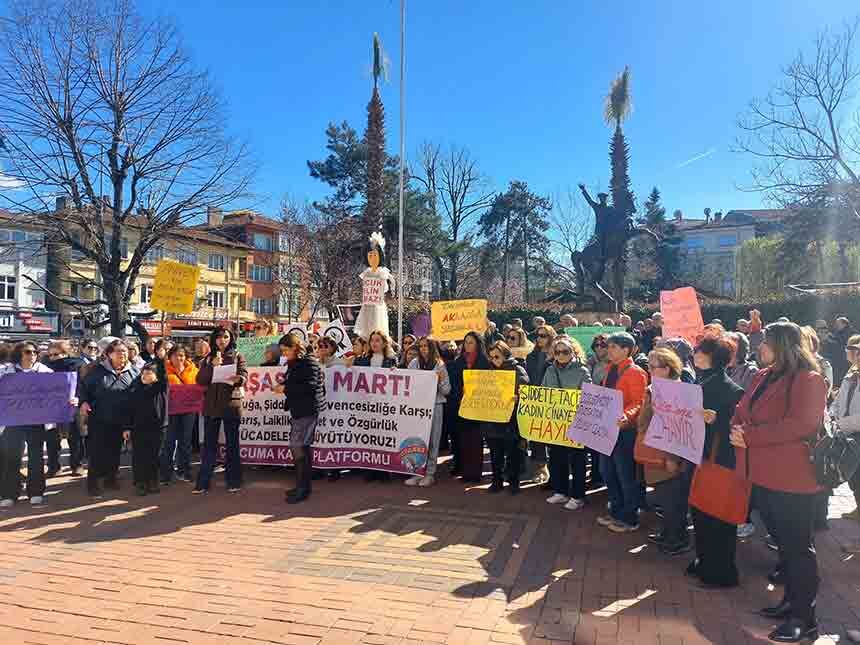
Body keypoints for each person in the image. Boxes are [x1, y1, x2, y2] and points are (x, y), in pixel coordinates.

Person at [730, 322, 828, 643]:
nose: (759, 346)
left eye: (765, 341)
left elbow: (802, 424)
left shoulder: (809, 379)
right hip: (761, 473)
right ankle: (791, 602)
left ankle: (805, 618)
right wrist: (736, 426)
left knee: (798, 550)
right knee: (785, 547)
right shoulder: (763, 375)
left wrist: (750, 436)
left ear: (783, 345)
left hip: (793, 479)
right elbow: (742, 408)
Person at [687, 335, 745, 588]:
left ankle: (720, 571)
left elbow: (738, 427)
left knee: (717, 516)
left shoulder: (730, 389)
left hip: (719, 460)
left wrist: (718, 419)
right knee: (701, 513)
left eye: (700, 351)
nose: (695, 355)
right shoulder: (701, 380)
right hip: (701, 456)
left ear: (713, 357)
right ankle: (704, 560)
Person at [0, 342, 76, 507]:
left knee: (36, 457)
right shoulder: (5, 372)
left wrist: (69, 400)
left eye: (35, 352)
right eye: (28, 352)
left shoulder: (46, 372)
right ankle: (9, 493)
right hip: (12, 422)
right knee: (11, 457)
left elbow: (58, 393)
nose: (32, 355)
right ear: (19, 354)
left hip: (37, 421)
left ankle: (36, 491)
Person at [637, 348, 690, 554]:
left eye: (653, 367)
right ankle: (668, 533)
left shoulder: (675, 391)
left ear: (667, 369)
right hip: (656, 450)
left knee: (673, 500)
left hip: (667, 454)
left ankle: (678, 540)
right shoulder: (658, 387)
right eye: (648, 366)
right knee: (665, 499)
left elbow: (676, 428)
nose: (649, 370)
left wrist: (672, 458)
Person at [597, 332, 648, 533]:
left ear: (626, 349)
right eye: (608, 346)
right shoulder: (610, 368)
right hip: (608, 429)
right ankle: (616, 511)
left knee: (625, 475)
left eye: (613, 347)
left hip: (624, 431)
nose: (608, 350)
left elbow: (639, 402)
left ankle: (630, 517)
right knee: (607, 472)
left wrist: (626, 416)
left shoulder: (635, 372)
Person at [79, 339, 139, 498]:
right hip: (99, 419)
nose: (122, 354)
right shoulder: (97, 371)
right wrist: (83, 402)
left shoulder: (134, 372)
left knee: (115, 451)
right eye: (118, 351)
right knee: (97, 452)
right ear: (109, 354)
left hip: (121, 420)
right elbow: (83, 388)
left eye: (124, 351)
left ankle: (110, 479)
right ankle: (92, 483)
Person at [194, 328, 247, 495]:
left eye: (225, 337)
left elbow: (243, 375)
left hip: (231, 405)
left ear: (231, 339)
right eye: (218, 337)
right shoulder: (208, 358)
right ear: (214, 340)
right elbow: (200, 380)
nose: (222, 340)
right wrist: (211, 366)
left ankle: (234, 481)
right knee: (209, 445)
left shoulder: (237, 355)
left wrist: (239, 379)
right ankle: (203, 482)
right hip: (211, 406)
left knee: (232, 444)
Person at [274, 333, 324, 504]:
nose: (284, 354)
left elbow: (310, 386)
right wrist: (284, 385)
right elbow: (296, 382)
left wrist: (285, 389)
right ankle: (302, 486)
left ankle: (303, 488)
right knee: (301, 448)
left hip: (307, 411)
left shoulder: (309, 362)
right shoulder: (294, 362)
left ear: (295, 347)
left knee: (299, 447)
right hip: (299, 410)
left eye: (285, 350)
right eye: (282, 351)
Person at [543, 336, 591, 510]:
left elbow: (588, 395)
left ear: (573, 352)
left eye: (565, 351)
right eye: (557, 352)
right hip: (556, 421)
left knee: (577, 460)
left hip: (576, 421)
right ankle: (560, 491)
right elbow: (543, 392)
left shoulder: (582, 371)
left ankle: (578, 496)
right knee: (557, 458)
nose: (561, 355)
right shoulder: (550, 370)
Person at [483, 341, 529, 494]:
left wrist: (519, 397)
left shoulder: (518, 370)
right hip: (493, 420)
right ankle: (497, 481)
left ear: (505, 355)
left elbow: (527, 392)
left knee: (513, 453)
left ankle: (513, 482)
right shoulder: (488, 371)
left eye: (497, 357)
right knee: (495, 453)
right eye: (491, 357)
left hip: (512, 420)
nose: (494, 360)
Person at [405, 338, 451, 487]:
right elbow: (406, 382)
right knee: (417, 440)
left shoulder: (439, 364)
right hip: (417, 407)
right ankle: (417, 472)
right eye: (421, 346)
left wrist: (441, 380)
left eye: (426, 346)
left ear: (432, 348)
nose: (423, 348)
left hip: (435, 405)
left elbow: (446, 390)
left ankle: (430, 473)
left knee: (433, 441)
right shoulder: (414, 363)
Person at [449, 331, 491, 483]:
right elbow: (454, 382)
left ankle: (475, 473)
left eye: (471, 342)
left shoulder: (485, 362)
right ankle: (465, 472)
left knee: (476, 441)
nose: (467, 345)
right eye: (466, 342)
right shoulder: (459, 361)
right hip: (461, 406)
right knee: (463, 440)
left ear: (478, 344)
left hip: (477, 407)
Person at [43, 340, 86, 476]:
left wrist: (79, 398)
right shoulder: (44, 366)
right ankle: (53, 467)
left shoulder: (78, 364)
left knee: (75, 437)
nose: (52, 358)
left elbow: (84, 384)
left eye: (56, 354)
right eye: (50, 355)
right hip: (51, 407)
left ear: (66, 353)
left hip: (72, 406)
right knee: (52, 438)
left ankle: (77, 465)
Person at [128, 360, 168, 496]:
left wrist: (162, 358)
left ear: (156, 376)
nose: (145, 376)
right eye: (143, 373)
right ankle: (140, 482)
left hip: (157, 427)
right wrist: (126, 427)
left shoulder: (160, 387)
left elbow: (165, 374)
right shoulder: (135, 387)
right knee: (139, 456)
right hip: (138, 427)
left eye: (149, 373)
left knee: (154, 455)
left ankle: (152, 481)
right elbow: (128, 409)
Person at [833, 334, 860, 523]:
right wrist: (833, 416)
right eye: (853, 350)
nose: (855, 354)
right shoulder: (850, 375)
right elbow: (838, 401)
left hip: (854, 431)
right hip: (848, 433)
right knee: (853, 475)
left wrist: (842, 424)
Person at [162, 345, 199, 484]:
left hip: (189, 411)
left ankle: (184, 471)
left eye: (182, 355)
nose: (179, 358)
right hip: (170, 411)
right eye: (176, 355)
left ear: (186, 357)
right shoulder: (164, 370)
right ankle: (166, 473)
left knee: (185, 442)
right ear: (170, 357)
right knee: (169, 442)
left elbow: (199, 388)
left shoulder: (194, 370)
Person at [525, 325, 556, 485]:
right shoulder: (531, 356)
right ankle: (540, 469)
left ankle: (554, 472)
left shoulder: (557, 355)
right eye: (538, 335)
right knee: (536, 438)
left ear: (551, 337)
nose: (539, 338)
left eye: (543, 335)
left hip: (552, 400)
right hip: (534, 398)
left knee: (552, 437)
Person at [354, 232, 395, 340]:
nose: (372, 258)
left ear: (380, 256)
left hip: (377, 306)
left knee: (377, 328)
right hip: (366, 307)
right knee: (366, 330)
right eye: (370, 255)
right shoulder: (366, 273)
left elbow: (385, 289)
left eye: (375, 255)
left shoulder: (383, 272)